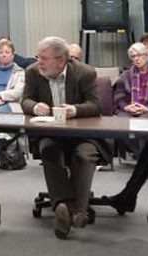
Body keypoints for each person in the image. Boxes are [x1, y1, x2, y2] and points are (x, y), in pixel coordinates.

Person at [21, 36, 110, 239]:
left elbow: (96, 106)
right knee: (48, 150)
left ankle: (73, 210)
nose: (39, 62)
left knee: (85, 155)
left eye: (44, 58)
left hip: (82, 135)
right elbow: (25, 100)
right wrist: (34, 106)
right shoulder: (33, 72)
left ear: (61, 60)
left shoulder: (85, 73)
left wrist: (75, 110)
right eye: (38, 57)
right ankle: (72, 209)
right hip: (50, 133)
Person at [96, 43, 148, 216]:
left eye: (140, 55)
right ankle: (143, 160)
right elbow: (119, 96)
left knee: (146, 124)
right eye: (133, 57)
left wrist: (146, 108)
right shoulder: (126, 76)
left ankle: (142, 165)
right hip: (129, 111)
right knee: (122, 125)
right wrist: (128, 107)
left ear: (147, 56)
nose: (137, 59)